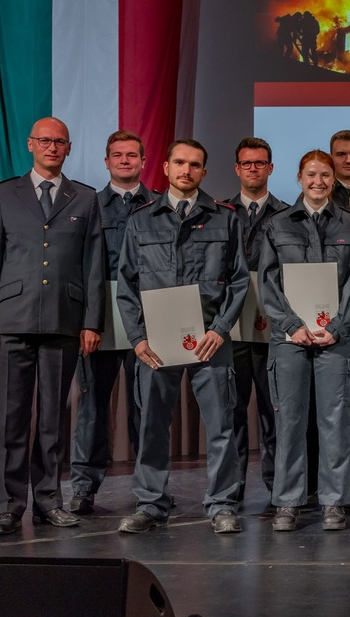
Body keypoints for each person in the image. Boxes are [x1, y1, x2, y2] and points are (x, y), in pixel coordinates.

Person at [0, 117, 105, 535]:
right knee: (11, 418)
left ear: (69, 148)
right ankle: (9, 505)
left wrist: (91, 322)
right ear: (30, 144)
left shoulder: (84, 198)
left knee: (52, 419)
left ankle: (48, 500)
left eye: (59, 142)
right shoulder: (3, 194)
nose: (52, 147)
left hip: (63, 322)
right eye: (45, 141)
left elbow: (93, 266)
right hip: (12, 320)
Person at [116, 139, 248, 535]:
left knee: (222, 425)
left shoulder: (225, 217)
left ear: (204, 173)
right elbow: (126, 284)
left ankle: (223, 503)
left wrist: (220, 329)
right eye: (179, 163)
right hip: (157, 344)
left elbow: (239, 282)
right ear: (166, 168)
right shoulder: (141, 219)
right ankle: (151, 505)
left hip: (210, 341)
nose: (186, 170)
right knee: (153, 424)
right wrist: (138, 338)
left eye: (195, 165)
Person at [258, 150, 350, 532]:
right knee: (290, 421)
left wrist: (337, 325)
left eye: (325, 175)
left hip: (337, 339)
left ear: (334, 180)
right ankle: (288, 501)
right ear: (300, 177)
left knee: (335, 420)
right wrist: (291, 324)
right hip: (290, 340)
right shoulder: (278, 224)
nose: (318, 182)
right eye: (311, 175)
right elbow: (267, 282)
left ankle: (335, 501)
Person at [69, 130, 157, 516]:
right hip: (100, 321)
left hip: (148, 321)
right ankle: (84, 488)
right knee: (92, 410)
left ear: (143, 161)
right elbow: (80, 265)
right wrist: (86, 321)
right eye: (117, 155)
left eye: (132, 155)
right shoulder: (89, 204)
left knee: (147, 409)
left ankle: (149, 490)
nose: (125, 161)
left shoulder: (158, 204)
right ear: (107, 162)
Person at [224, 137, 290, 506]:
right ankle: (230, 492)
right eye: (247, 163)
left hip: (275, 328)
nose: (253, 169)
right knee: (232, 414)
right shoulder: (220, 212)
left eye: (260, 163)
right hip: (230, 329)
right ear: (237, 169)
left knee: (274, 413)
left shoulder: (284, 216)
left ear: (270, 168)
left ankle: (278, 489)